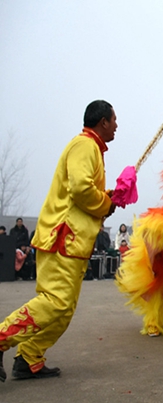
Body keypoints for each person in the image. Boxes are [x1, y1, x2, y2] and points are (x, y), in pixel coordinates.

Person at [0, 99, 117, 382]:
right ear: (103, 121)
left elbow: (84, 191)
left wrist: (109, 198)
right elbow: (80, 189)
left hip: (73, 244)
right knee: (55, 302)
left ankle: (29, 357)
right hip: (62, 239)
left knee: (63, 310)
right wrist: (105, 203)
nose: (116, 126)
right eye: (114, 120)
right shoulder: (84, 145)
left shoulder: (91, 148)